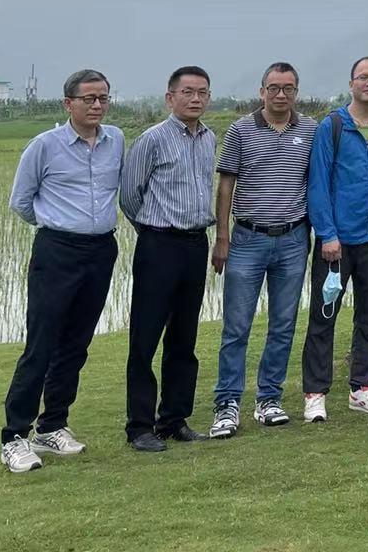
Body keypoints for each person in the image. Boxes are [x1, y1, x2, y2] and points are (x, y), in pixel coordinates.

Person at [0, 69, 124, 474]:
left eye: (103, 98)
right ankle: (14, 437)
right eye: (89, 99)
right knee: (42, 343)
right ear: (69, 104)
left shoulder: (116, 140)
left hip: (101, 250)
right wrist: (57, 225)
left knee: (76, 344)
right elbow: (21, 201)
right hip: (57, 250)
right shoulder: (45, 146)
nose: (97, 105)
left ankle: (52, 425)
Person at [209, 62, 316, 438]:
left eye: (288, 88)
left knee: (283, 325)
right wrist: (222, 238)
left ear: (296, 92)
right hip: (247, 240)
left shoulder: (311, 130)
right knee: (236, 327)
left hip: (293, 240)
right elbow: (226, 186)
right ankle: (227, 404)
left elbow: (316, 182)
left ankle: (269, 399)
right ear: (262, 92)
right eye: (274, 88)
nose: (281, 94)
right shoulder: (241, 129)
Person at [119, 65, 217, 452]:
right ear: (170, 97)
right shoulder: (152, 139)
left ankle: (174, 419)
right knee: (145, 338)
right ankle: (139, 426)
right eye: (187, 92)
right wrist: (152, 231)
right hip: (159, 243)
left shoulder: (209, 138)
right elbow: (130, 195)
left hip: (195, 244)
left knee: (184, 337)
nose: (195, 99)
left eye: (202, 92)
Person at [303, 55, 368, 420]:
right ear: (351, 84)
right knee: (324, 315)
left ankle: (362, 386)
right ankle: (315, 392)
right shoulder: (332, 126)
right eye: (364, 77)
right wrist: (327, 234)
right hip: (337, 243)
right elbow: (318, 184)